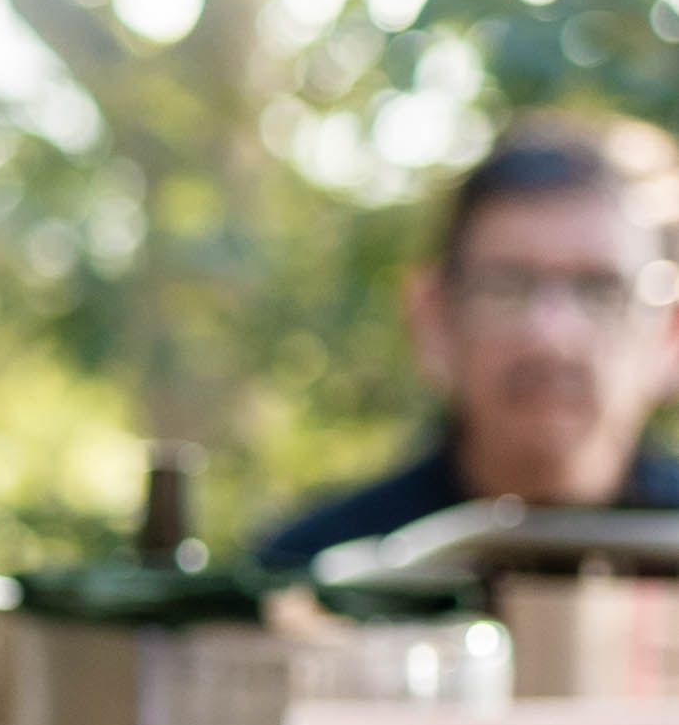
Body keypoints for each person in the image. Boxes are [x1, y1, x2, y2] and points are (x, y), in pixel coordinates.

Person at [253, 110, 679, 568]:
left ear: (670, 331)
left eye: (600, 291)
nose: (550, 335)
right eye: (506, 287)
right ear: (434, 317)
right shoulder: (323, 570)